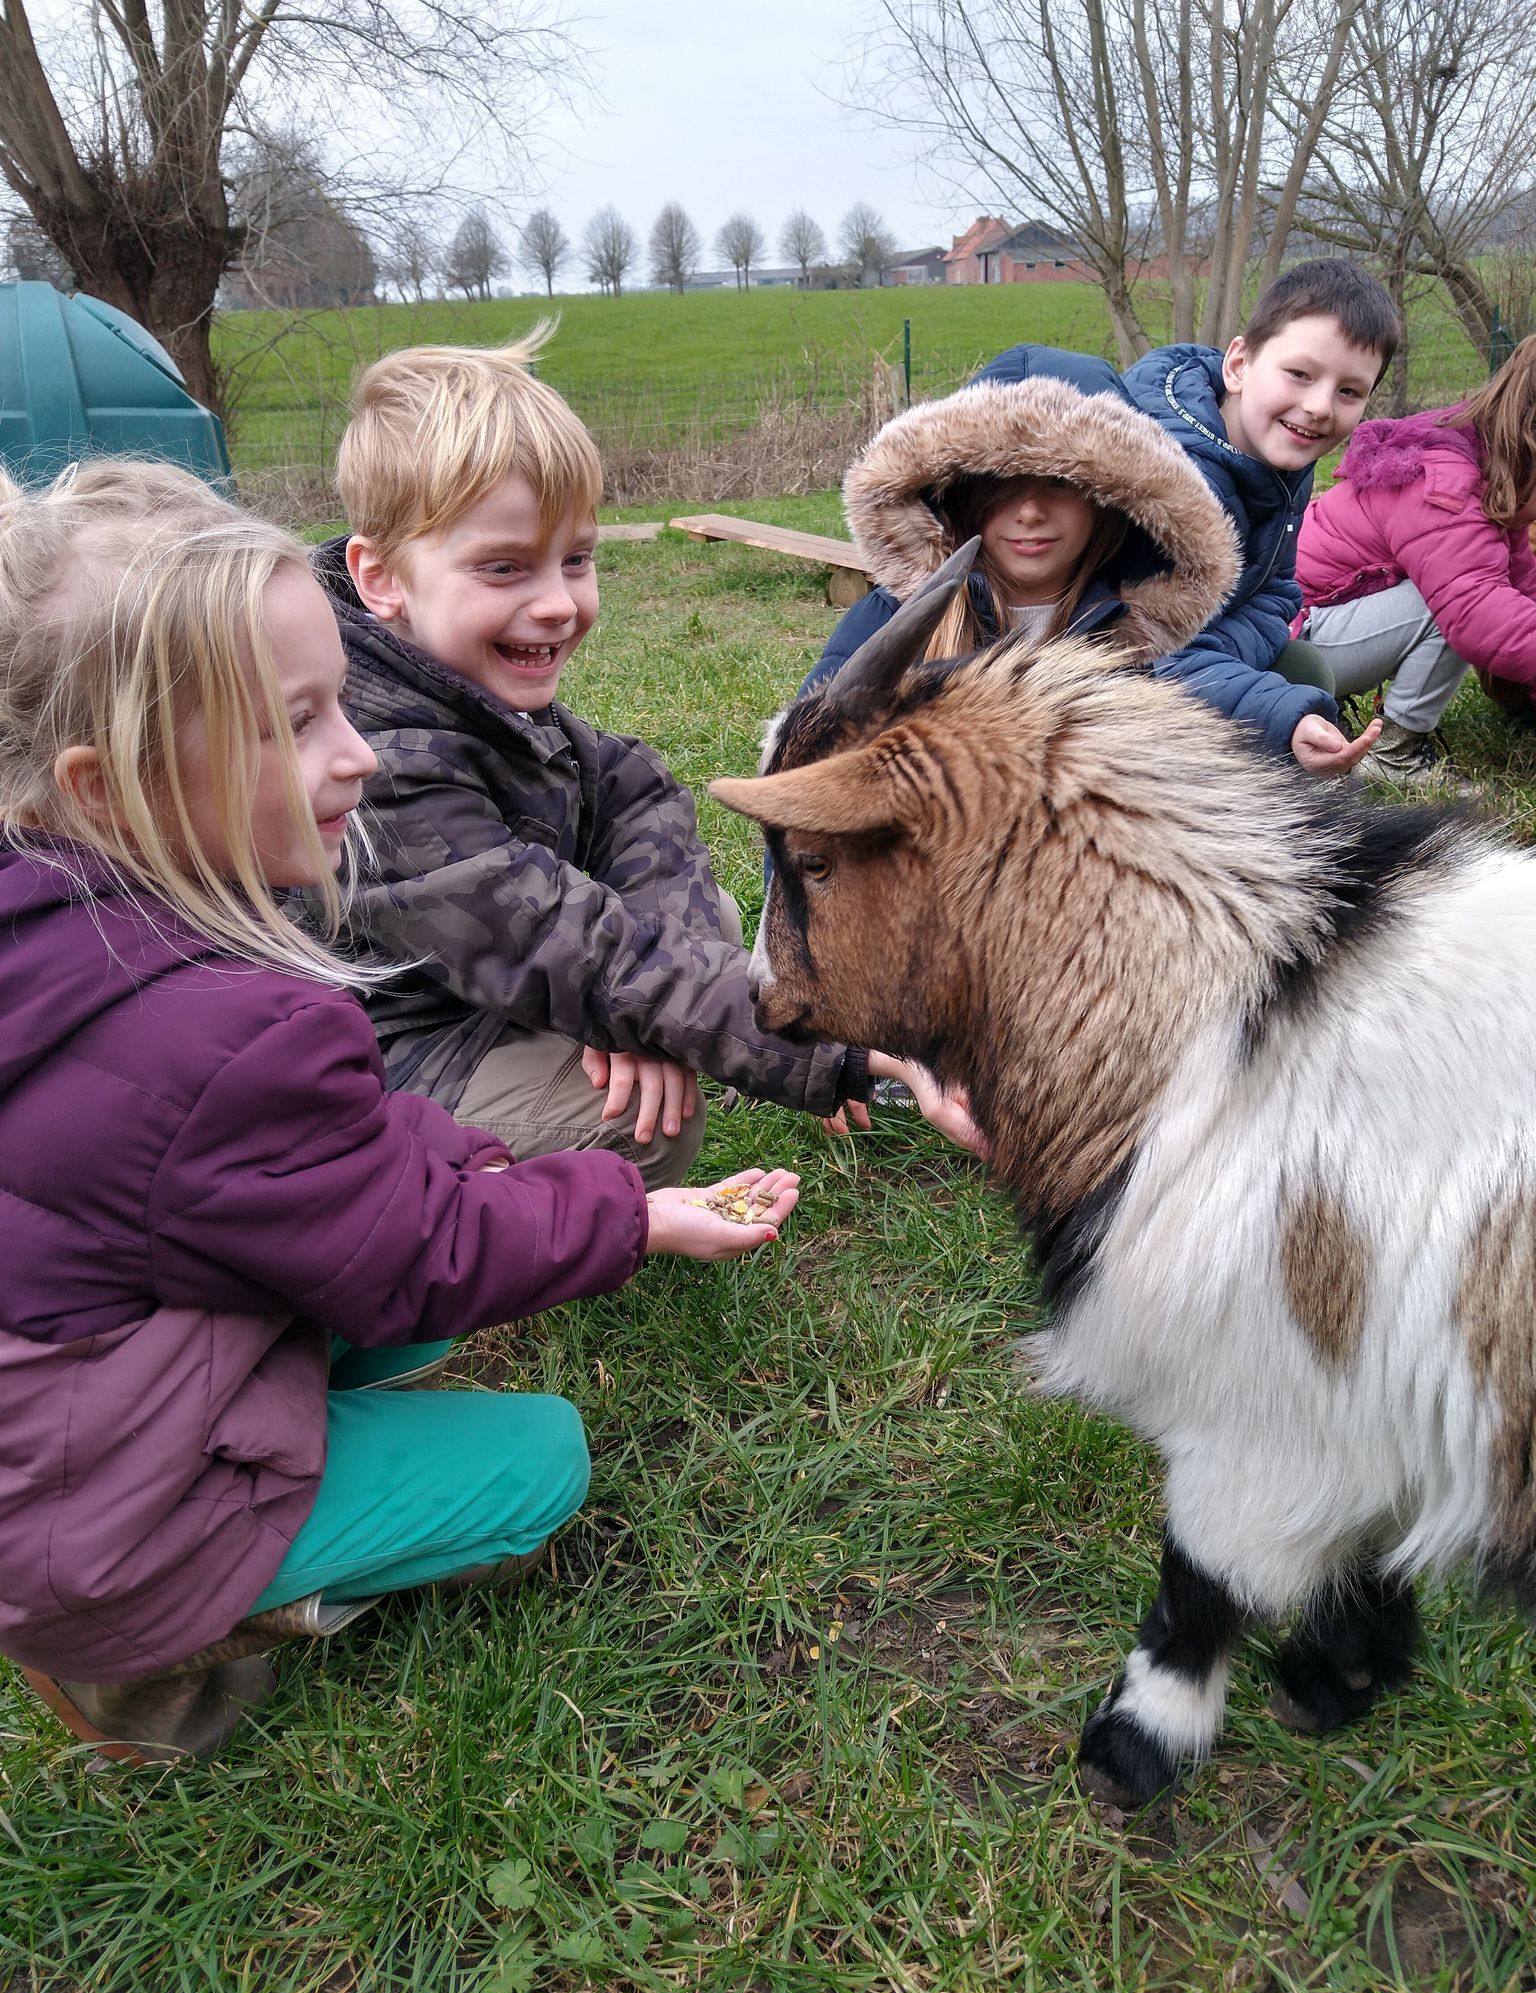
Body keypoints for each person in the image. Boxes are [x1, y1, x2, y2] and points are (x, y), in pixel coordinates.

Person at [0, 460, 800, 1766]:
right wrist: (632, 1216)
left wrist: (473, 1163)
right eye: (297, 721)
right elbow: (420, 1254)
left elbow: (344, 1165)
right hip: (86, 1526)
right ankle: (158, 1658)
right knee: (535, 1463)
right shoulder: (228, 1032)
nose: (355, 752)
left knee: (402, 1311)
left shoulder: (63, 906)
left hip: (61, 1400)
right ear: (104, 787)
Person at [315, 330, 893, 1189]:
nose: (556, 603)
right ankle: (413, 1193)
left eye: (576, 559)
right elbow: (548, 939)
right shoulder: (377, 756)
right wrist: (829, 1049)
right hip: (393, 1054)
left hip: (492, 987)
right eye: (504, 567)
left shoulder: (450, 680)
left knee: (709, 931)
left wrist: (640, 1015)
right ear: (382, 577)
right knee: (649, 1134)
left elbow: (635, 791)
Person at [798, 344, 1243, 703]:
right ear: (961, 493)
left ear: (1111, 502)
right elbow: (804, 767)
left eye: (1060, 482)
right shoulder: (893, 621)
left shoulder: (1132, 642)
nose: (1030, 510)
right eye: (1000, 482)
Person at [1124, 259, 1403, 776]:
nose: (1320, 406)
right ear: (1238, 365)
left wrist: (1229, 650)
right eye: (1299, 374)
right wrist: (1274, 709)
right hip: (1103, 682)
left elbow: (1275, 592)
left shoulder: (1276, 455)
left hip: (1195, 651)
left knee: (1304, 670)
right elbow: (1146, 657)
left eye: (1349, 391)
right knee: (1291, 696)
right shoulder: (1171, 482)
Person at [1294, 335, 1536, 785]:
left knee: (1463, 591)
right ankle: (1393, 754)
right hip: (1293, 642)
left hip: (1323, 619)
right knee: (1448, 602)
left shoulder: (1486, 468)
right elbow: (1479, 613)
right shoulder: (1447, 487)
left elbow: (1521, 584)